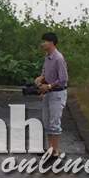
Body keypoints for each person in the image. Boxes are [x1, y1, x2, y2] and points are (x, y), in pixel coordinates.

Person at [35, 31, 68, 159]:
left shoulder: (58, 58)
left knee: (55, 122)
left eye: (44, 42)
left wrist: (49, 86)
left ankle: (55, 150)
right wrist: (41, 78)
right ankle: (49, 148)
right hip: (48, 92)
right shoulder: (48, 57)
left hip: (57, 93)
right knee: (47, 121)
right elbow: (45, 71)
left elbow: (63, 78)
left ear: (51, 43)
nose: (42, 44)